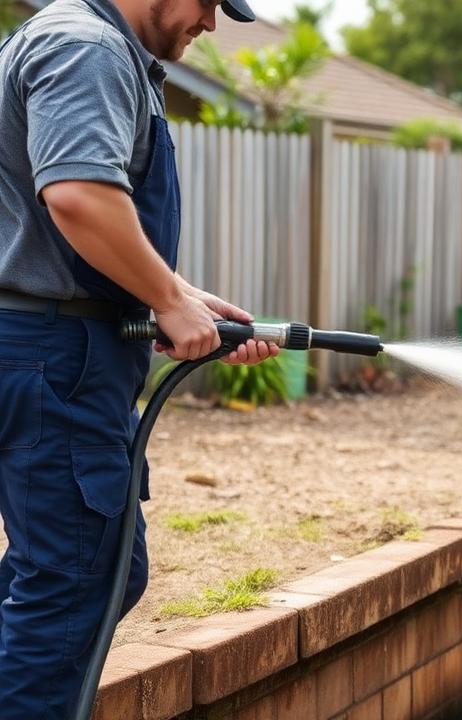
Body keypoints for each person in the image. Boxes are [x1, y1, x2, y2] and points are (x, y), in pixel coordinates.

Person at [0, 0, 276, 716]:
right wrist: (166, 299)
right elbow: (81, 197)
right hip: (54, 358)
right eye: (211, 3)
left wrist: (178, 298)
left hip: (58, 345)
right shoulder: (86, 46)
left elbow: (64, 229)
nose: (212, 23)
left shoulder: (95, 47)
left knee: (92, 572)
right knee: (72, 582)